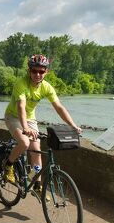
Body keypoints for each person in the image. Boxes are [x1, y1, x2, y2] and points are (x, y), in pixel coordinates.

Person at [4, 54, 82, 195]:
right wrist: (25, 128)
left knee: (36, 149)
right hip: (13, 116)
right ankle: (8, 165)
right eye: (34, 71)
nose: (38, 74)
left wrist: (73, 125)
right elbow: (21, 106)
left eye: (41, 71)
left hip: (30, 119)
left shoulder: (46, 87)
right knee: (24, 143)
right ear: (29, 71)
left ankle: (37, 184)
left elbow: (59, 107)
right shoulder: (21, 84)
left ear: (47, 72)